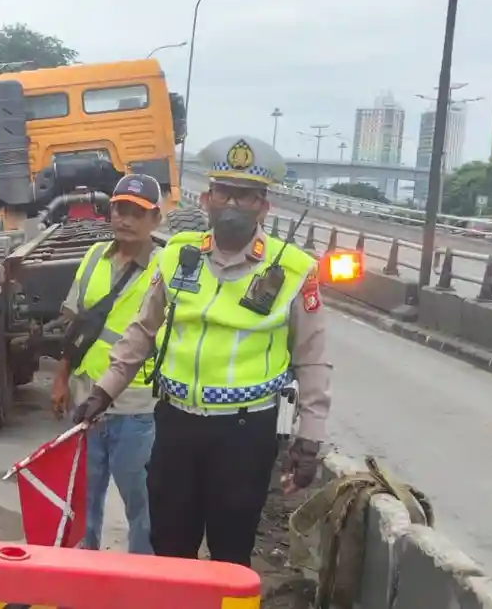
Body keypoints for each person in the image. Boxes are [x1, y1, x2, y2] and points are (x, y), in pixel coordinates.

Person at [72, 135, 332, 567]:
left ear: (263, 207)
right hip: (175, 427)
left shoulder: (292, 270)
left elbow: (313, 358)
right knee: (170, 547)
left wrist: (309, 440)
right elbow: (141, 332)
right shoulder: (176, 255)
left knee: (231, 551)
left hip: (244, 434)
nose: (232, 204)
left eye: (246, 197)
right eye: (224, 193)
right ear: (207, 198)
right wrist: (102, 393)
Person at [50, 174, 164, 554]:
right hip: (86, 403)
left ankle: (141, 579)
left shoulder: (166, 267)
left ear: (155, 220)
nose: (125, 219)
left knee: (142, 504)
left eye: (136, 212)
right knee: (83, 496)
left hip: (137, 408)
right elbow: (74, 325)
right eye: (119, 209)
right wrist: (61, 378)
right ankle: (82, 575)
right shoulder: (94, 257)